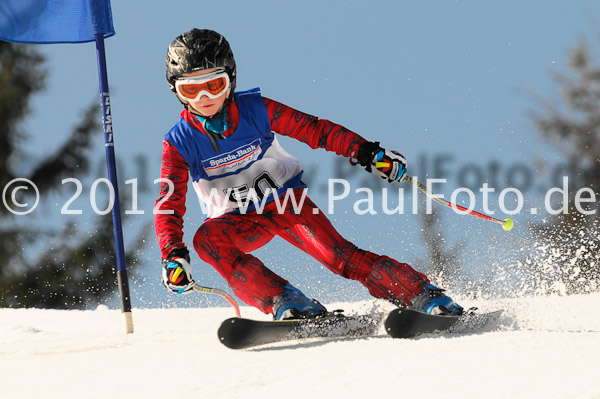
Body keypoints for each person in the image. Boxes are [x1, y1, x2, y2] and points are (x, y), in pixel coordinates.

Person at [155, 28, 463, 320]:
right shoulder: (179, 143)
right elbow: (169, 203)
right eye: (191, 89)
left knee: (337, 257)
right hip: (240, 220)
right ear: (177, 92)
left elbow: (315, 130)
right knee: (207, 239)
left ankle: (423, 295)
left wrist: (366, 152)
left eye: (213, 85)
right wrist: (173, 255)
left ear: (230, 81)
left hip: (287, 203)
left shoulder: (255, 110)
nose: (203, 98)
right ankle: (286, 301)